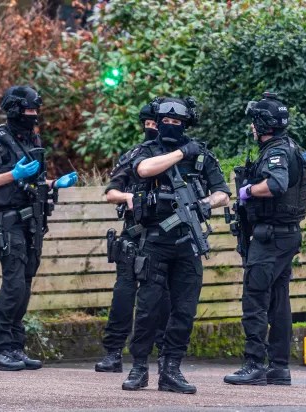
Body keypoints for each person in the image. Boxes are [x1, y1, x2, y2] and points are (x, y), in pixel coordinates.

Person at [122, 97, 231, 394]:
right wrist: (181, 152)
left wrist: (203, 205)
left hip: (187, 243)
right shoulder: (147, 150)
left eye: (177, 123)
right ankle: (139, 367)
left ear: (186, 124)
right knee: (148, 309)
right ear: (157, 123)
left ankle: (171, 368)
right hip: (154, 241)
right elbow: (144, 170)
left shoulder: (201, 155)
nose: (171, 126)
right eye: (166, 122)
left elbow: (223, 192)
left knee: (184, 310)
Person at [0, 85, 78, 371]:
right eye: (30, 111)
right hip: (8, 222)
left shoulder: (32, 139)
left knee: (25, 285)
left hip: (31, 221)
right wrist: (12, 174)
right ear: (16, 111)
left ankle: (15, 348)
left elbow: (32, 183)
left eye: (36, 111)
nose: (34, 116)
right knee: (14, 284)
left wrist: (55, 184)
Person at [223, 92, 306, 386]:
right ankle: (278, 367)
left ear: (263, 124)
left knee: (255, 298)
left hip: (271, 236)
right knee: (278, 301)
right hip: (284, 235)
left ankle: (254, 365)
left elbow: (276, 184)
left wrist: (247, 192)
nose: (252, 127)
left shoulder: (277, 151)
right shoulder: (290, 147)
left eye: (254, 122)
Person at [95, 104, 171, 374]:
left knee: (164, 298)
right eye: (148, 124)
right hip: (135, 234)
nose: (151, 129)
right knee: (124, 294)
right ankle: (113, 353)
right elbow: (111, 192)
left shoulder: (176, 156)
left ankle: (165, 356)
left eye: (156, 124)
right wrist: (129, 198)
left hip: (166, 237)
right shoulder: (135, 156)